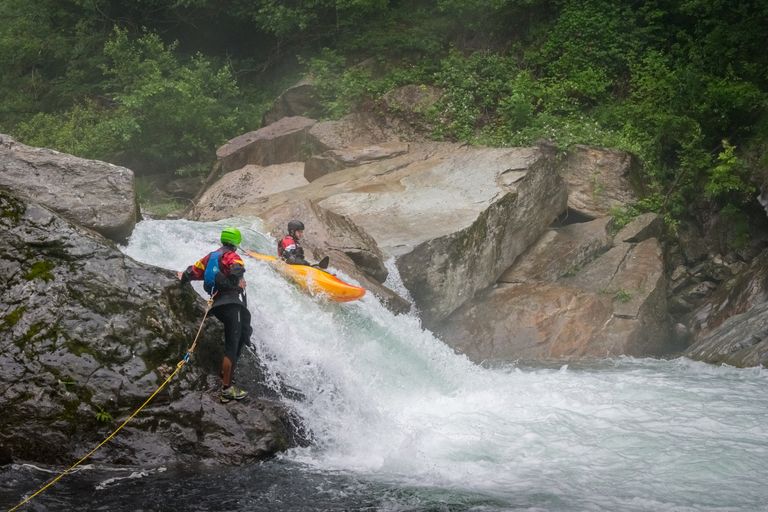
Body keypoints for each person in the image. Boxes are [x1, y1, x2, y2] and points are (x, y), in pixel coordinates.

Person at [178, 226, 252, 403]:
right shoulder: (232, 256)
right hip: (232, 304)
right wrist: (238, 282)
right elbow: (236, 270)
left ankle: (224, 375)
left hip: (216, 305)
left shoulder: (210, 257)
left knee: (241, 335)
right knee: (232, 346)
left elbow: (192, 272)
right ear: (236, 243)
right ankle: (227, 389)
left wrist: (182, 276)